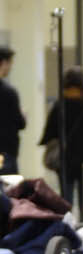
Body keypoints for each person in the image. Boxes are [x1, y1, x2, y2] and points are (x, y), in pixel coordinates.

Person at [38, 66, 83, 212]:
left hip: (65, 161)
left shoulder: (60, 106)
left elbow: (48, 134)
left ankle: (68, 228)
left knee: (65, 200)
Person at [0, 46, 27, 175]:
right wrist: (23, 116)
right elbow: (20, 123)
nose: (10, 67)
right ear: (4, 63)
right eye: (10, 63)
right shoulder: (9, 92)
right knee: (8, 189)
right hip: (6, 150)